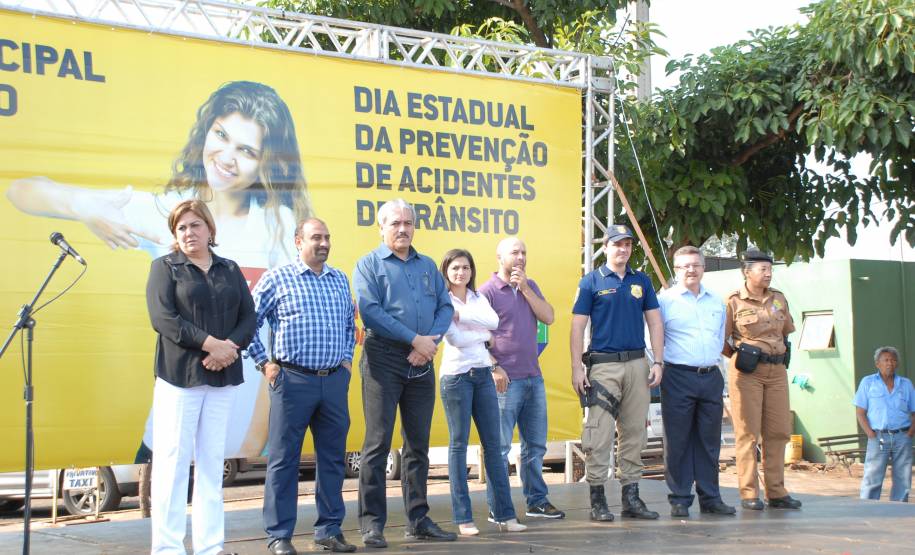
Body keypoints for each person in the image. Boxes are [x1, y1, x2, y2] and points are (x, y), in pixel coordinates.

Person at [7, 80, 312, 462]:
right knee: (163, 501)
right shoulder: (167, 211)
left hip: (235, 439)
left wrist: (255, 437)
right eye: (221, 134)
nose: (227, 156)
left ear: (267, 161)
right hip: (170, 424)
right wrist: (82, 203)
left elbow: (276, 335)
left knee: (211, 509)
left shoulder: (279, 227)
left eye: (246, 149)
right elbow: (22, 189)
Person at [145, 199, 256, 555]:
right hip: (179, 378)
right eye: (181, 228)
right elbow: (164, 319)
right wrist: (211, 344)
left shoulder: (229, 268)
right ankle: (168, 548)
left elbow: (248, 317)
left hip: (222, 378)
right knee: (172, 465)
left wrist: (229, 348)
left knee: (211, 464)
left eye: (195, 225)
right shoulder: (164, 268)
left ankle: (211, 546)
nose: (188, 233)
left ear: (210, 229)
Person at [247, 219, 356, 555]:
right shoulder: (277, 278)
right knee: (284, 460)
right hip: (291, 381)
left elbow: (350, 325)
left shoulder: (339, 279)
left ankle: (329, 530)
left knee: (333, 459)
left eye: (326, 237)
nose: (322, 243)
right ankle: (279, 535)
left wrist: (347, 360)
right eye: (315, 238)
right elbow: (248, 322)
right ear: (298, 241)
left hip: (334, 381)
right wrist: (264, 363)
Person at [353, 198, 456, 547]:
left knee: (418, 445)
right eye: (395, 223)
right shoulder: (368, 265)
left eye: (408, 223)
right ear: (381, 227)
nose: (402, 229)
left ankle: (418, 518)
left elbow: (445, 306)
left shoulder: (427, 265)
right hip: (383, 357)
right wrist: (414, 339)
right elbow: (370, 311)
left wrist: (429, 342)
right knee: (377, 443)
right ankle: (372, 524)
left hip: (422, 360)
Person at [570, 225, 664, 522]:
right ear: (606, 247)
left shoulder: (642, 281)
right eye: (617, 244)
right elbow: (577, 327)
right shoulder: (591, 282)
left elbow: (655, 323)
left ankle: (631, 498)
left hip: (637, 363)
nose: (622, 249)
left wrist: (658, 361)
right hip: (604, 366)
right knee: (598, 433)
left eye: (627, 244)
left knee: (635, 432)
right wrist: (576, 367)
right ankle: (598, 499)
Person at [438, 248, 526, 536]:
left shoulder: (477, 298)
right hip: (456, 378)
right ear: (446, 272)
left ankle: (505, 515)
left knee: (494, 445)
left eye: (465, 267)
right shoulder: (442, 302)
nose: (461, 273)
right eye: (455, 268)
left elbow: (494, 325)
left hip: (483, 375)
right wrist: (478, 329)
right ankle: (463, 518)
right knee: (458, 446)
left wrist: (464, 315)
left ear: (471, 271)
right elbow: (458, 339)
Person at [480, 237, 565, 520]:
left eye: (524, 252)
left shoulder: (531, 286)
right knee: (499, 448)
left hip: (533, 378)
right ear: (499, 257)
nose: (520, 257)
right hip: (505, 382)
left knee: (535, 446)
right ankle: (498, 507)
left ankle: (536, 501)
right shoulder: (487, 292)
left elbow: (549, 317)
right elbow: (474, 335)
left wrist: (526, 288)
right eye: (514, 252)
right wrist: (493, 367)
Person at [658, 245, 735, 517]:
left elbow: (719, 339)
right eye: (685, 266)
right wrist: (659, 366)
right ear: (676, 270)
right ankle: (679, 498)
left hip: (710, 376)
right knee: (677, 440)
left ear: (704, 267)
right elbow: (651, 339)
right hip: (677, 375)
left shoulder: (716, 301)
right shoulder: (664, 300)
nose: (691, 270)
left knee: (709, 440)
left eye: (696, 265)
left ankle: (711, 497)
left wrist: (721, 380)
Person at [724, 250, 801, 510]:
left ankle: (776, 492)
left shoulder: (778, 299)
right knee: (747, 433)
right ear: (747, 272)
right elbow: (721, 340)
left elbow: (786, 330)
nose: (768, 274)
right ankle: (749, 493)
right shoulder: (734, 302)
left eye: (770, 269)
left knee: (778, 432)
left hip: (777, 371)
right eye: (762, 269)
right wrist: (740, 355)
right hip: (748, 373)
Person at [853, 346, 915, 502]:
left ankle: (899, 508)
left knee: (903, 477)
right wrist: (871, 434)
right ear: (877, 364)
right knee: (873, 476)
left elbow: (914, 412)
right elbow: (860, 412)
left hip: (902, 436)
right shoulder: (868, 383)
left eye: (893, 360)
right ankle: (868, 507)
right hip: (878, 437)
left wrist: (910, 433)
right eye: (886, 360)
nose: (890, 363)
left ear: (897, 364)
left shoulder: (906, 384)